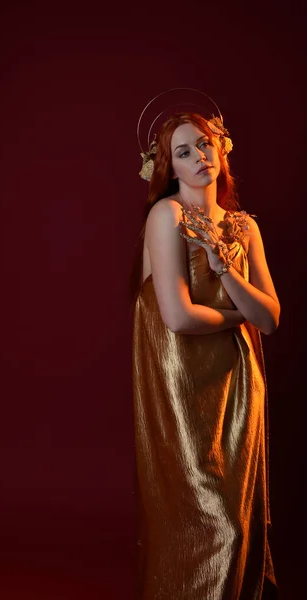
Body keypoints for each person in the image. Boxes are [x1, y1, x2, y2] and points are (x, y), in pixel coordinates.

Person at [130, 109, 281, 599]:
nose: (199, 156)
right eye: (183, 151)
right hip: (181, 381)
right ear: (168, 168)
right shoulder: (167, 215)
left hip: (237, 381)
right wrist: (243, 315)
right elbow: (177, 317)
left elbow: (272, 318)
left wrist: (226, 273)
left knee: (238, 518)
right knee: (208, 520)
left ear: (222, 149)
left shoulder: (244, 227)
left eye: (206, 144)